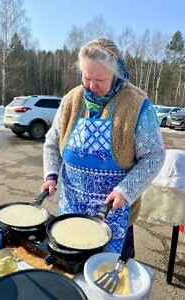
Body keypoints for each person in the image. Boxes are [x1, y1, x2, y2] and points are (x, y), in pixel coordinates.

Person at [41, 37, 165, 255]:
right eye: (86, 77)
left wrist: (127, 191)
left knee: (106, 277)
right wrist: (50, 175)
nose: (91, 85)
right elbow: (52, 142)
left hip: (113, 216)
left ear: (116, 74)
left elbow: (154, 156)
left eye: (99, 79)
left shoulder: (136, 104)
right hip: (71, 211)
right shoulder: (71, 99)